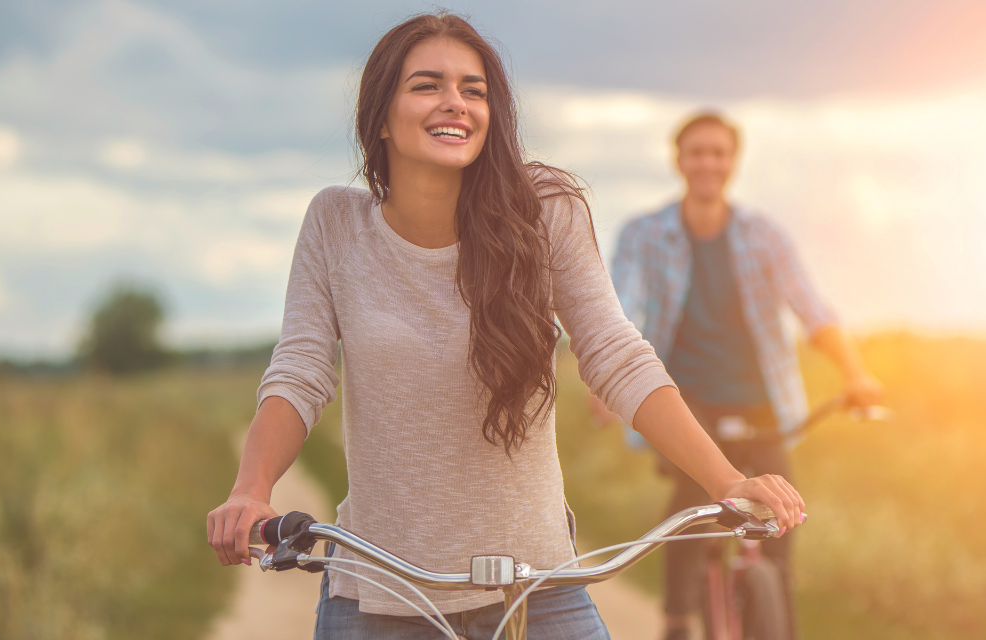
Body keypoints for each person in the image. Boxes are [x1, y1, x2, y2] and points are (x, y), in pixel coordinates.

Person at [204, 15, 805, 640]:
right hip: (379, 597)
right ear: (380, 116)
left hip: (538, 588)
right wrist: (252, 489)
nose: (455, 103)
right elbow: (301, 370)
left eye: (474, 89)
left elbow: (614, 353)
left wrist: (728, 480)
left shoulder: (545, 213)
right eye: (427, 85)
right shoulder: (335, 223)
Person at [606, 112, 883, 640]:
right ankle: (676, 619)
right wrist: (607, 384)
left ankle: (777, 616)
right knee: (694, 502)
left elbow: (812, 310)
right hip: (686, 402)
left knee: (784, 515)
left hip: (761, 404)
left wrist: (856, 372)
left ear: (733, 161)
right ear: (679, 161)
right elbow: (622, 308)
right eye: (697, 152)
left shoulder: (764, 237)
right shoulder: (645, 235)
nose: (708, 162)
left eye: (719, 152)